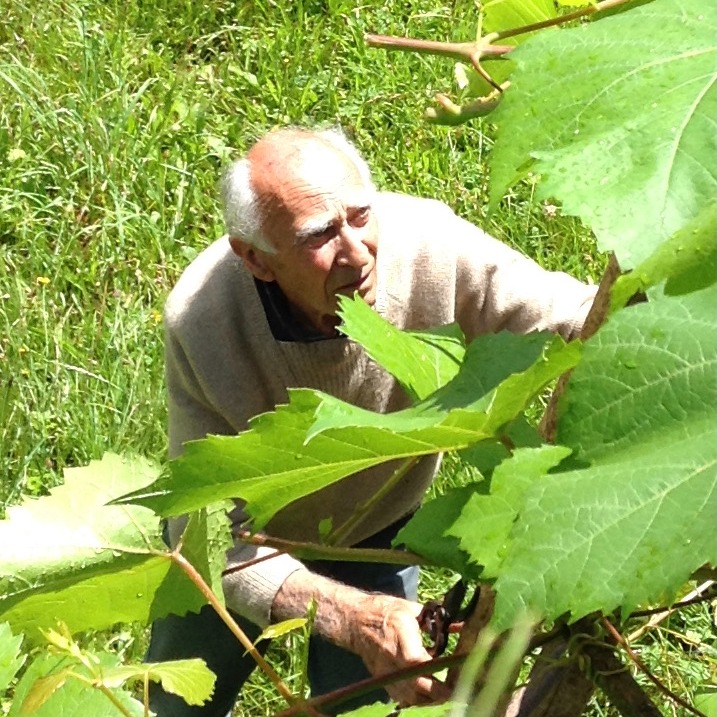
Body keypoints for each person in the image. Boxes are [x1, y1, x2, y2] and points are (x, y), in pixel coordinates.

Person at [146, 127, 597, 716]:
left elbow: (575, 314)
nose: (358, 252)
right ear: (255, 257)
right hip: (246, 537)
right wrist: (354, 619)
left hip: (378, 536)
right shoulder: (203, 321)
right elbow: (201, 531)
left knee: (364, 709)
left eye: (360, 216)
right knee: (177, 706)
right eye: (320, 235)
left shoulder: (432, 245)